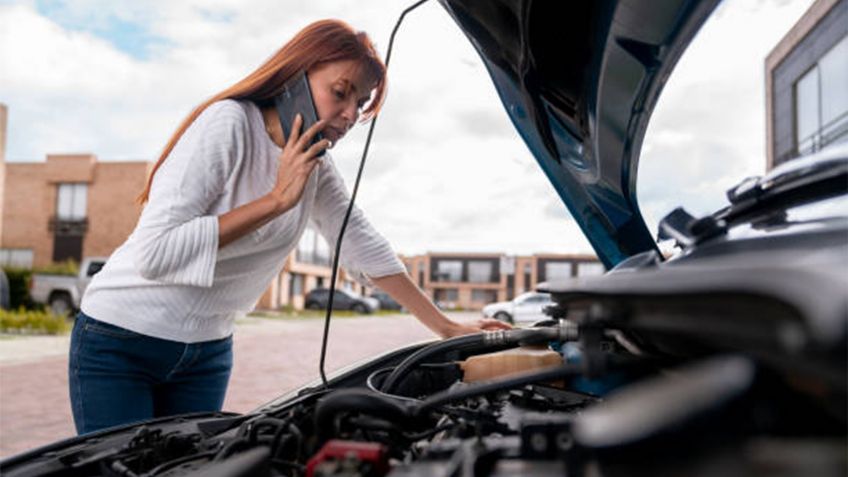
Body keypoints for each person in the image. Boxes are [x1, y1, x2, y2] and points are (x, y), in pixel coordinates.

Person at [69, 19, 510, 435]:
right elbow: (155, 253)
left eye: (360, 103)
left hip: (208, 350)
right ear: (296, 76)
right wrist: (276, 201)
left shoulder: (316, 165)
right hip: (119, 342)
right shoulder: (229, 123)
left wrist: (446, 328)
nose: (349, 114)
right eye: (341, 92)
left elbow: (360, 242)